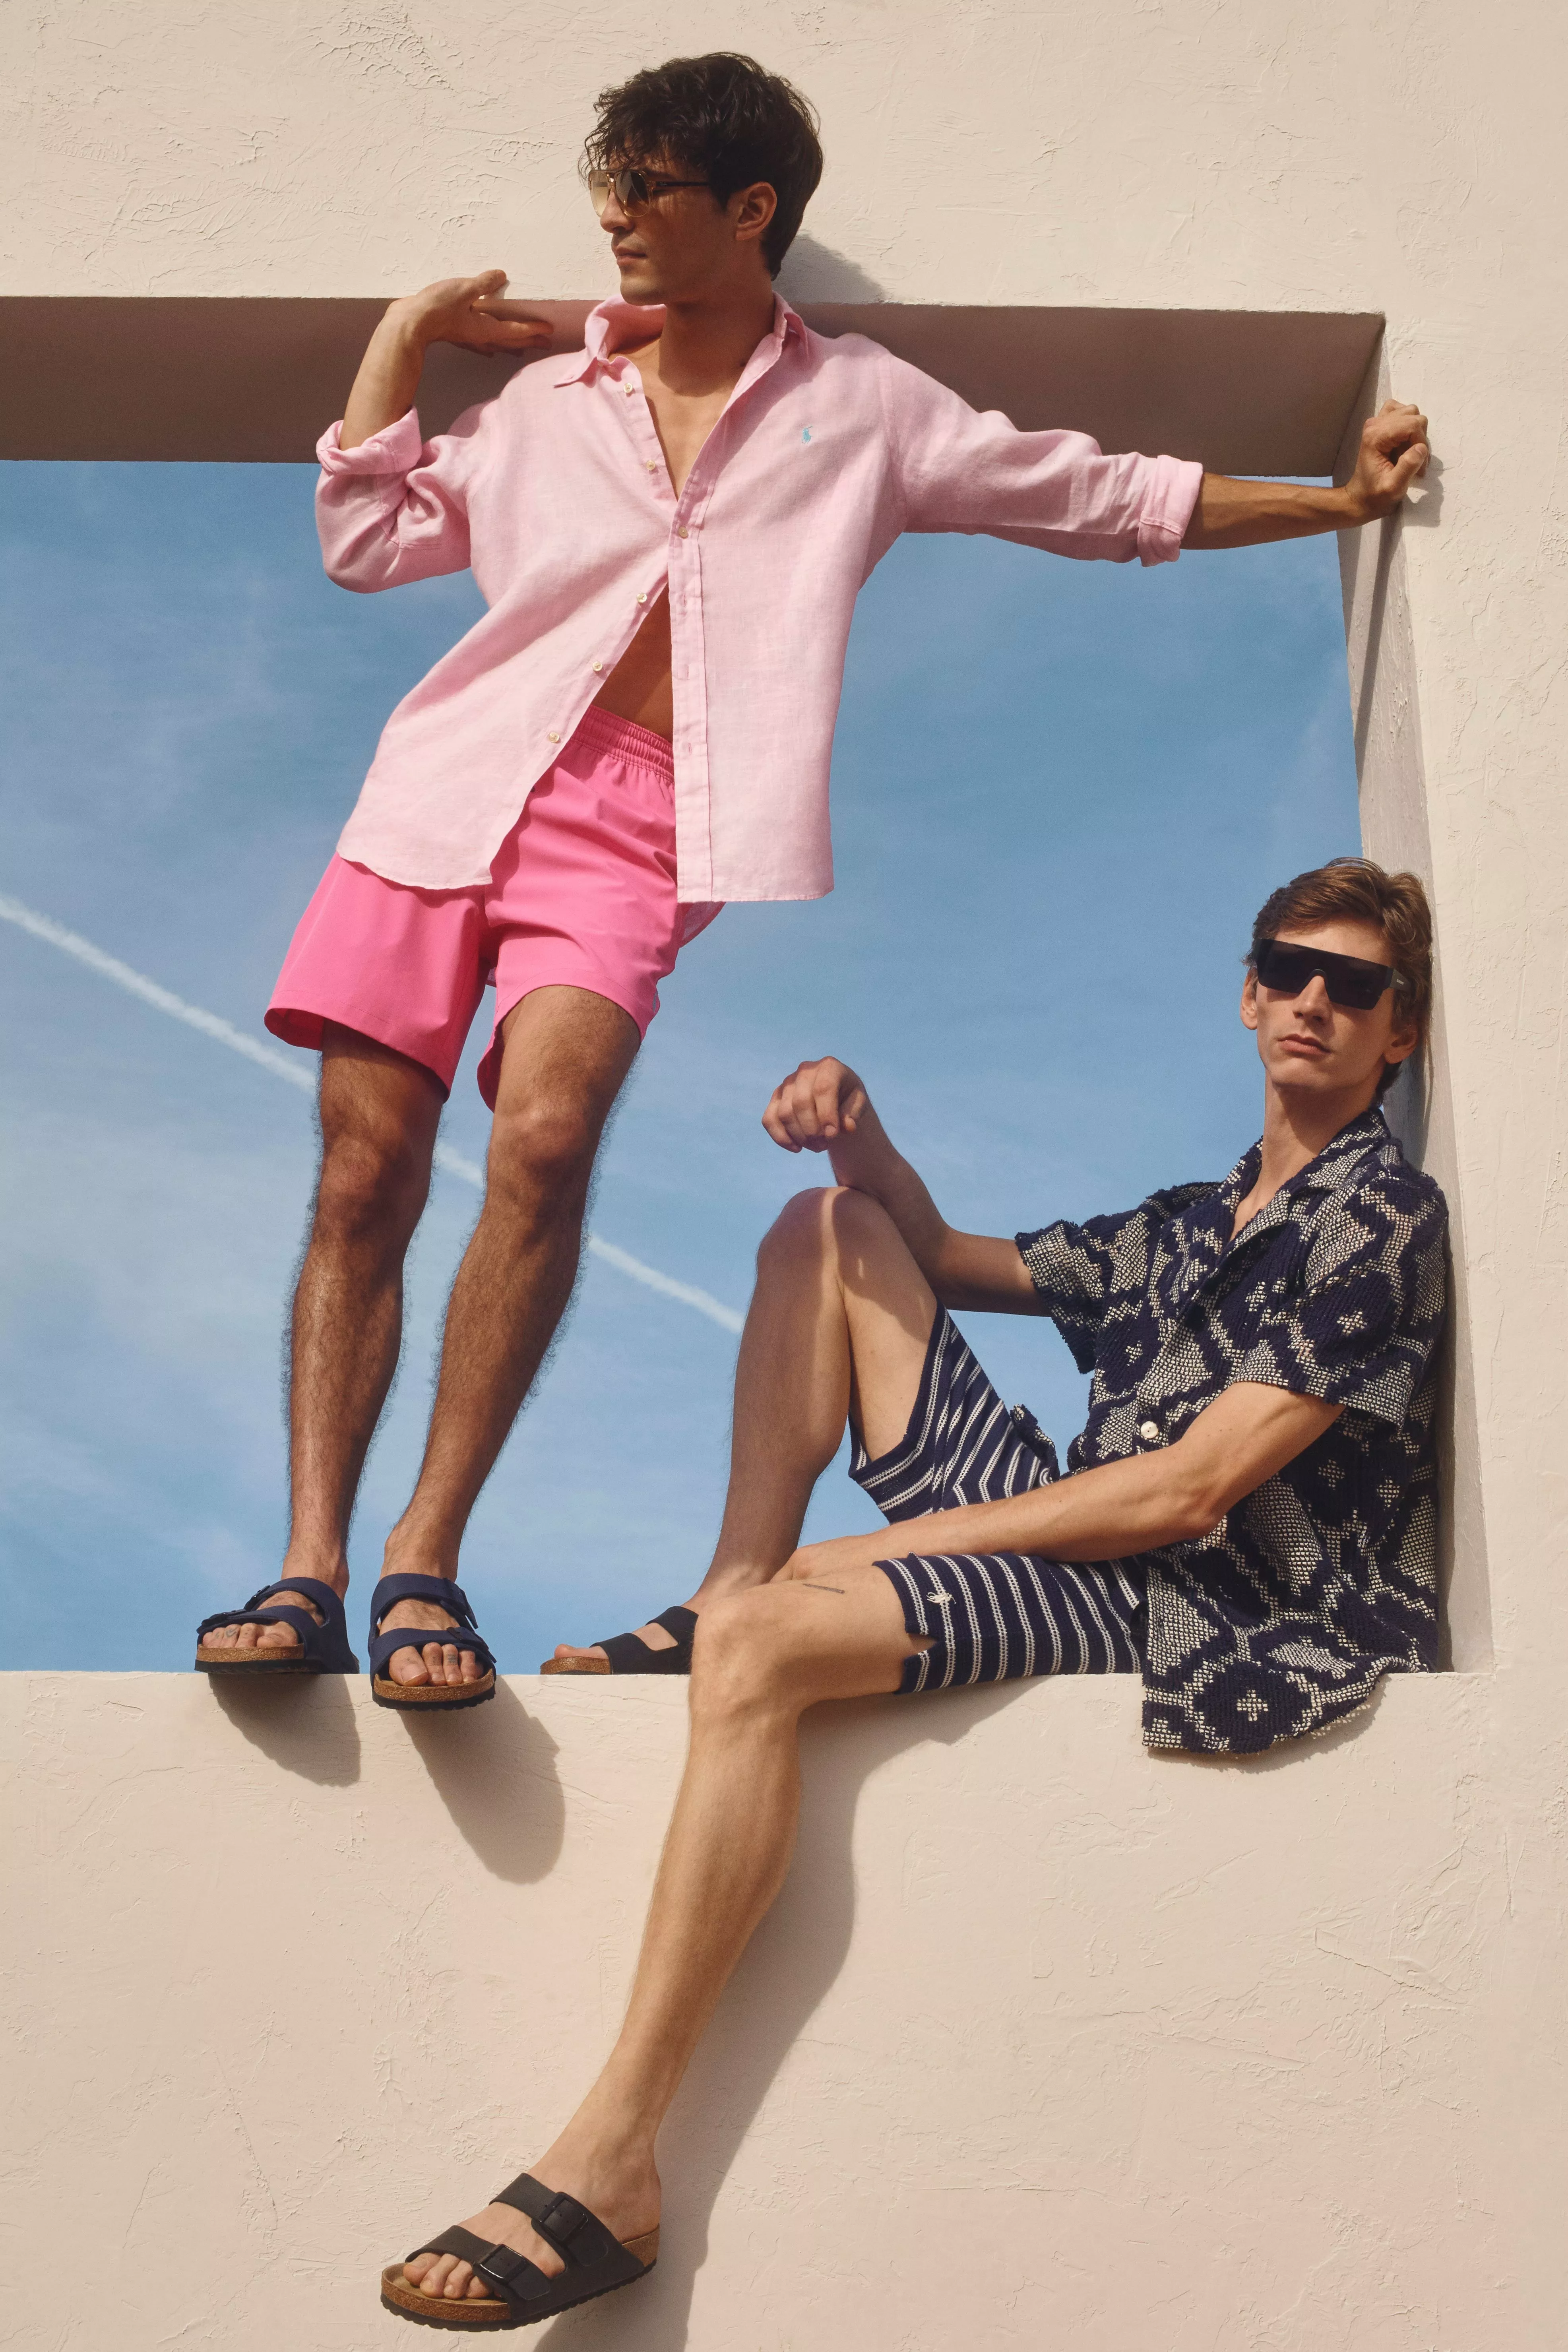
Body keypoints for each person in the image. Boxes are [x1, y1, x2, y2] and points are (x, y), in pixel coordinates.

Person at [194, 51, 1432, 1708]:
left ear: (750, 209)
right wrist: (404, 333)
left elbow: (1094, 493)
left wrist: (1332, 501)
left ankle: (424, 1559)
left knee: (546, 1142)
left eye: (651, 192)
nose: (617, 222)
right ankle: (312, 1564)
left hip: (637, 829)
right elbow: (366, 540)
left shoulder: (860, 409)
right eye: (608, 189)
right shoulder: (547, 403)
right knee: (363, 1175)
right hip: (437, 793)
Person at [378, 855, 1448, 2326]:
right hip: (1073, 1549)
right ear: (1251, 992)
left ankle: (612, 2156)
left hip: (1187, 1614)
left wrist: (887, 1550)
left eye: (1361, 987)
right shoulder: (1193, 1218)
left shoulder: (1381, 1217)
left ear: (1402, 1033)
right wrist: (860, 1132)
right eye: (1292, 970)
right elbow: (941, 1259)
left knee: (762, 1647)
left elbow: (1189, 1492)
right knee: (828, 1232)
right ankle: (731, 1576)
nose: (1318, 1001)